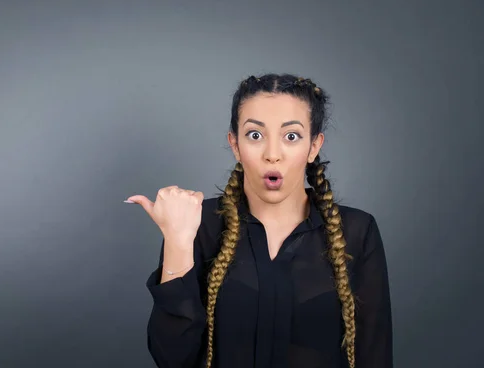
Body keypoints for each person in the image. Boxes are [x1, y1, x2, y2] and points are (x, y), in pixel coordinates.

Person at [125, 73, 393, 368]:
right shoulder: (197, 225)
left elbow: (374, 355)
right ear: (235, 145)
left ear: (314, 146)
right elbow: (173, 358)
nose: (272, 155)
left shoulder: (357, 231)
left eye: (291, 136)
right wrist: (177, 239)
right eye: (255, 135)